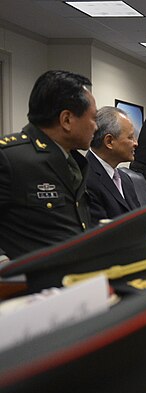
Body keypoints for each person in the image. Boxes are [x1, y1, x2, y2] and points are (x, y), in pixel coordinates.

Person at [0, 70, 96, 259]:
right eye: (93, 118)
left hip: (76, 278)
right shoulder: (9, 158)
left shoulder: (74, 161)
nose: (96, 126)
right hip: (32, 282)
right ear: (66, 120)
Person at [85, 106, 142, 224]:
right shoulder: (86, 179)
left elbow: (139, 220)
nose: (136, 143)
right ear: (109, 142)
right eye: (130, 137)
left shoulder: (125, 179)